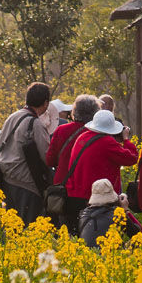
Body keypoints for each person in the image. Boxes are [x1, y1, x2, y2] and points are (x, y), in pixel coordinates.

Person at [65, 109, 138, 228]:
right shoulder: (107, 141)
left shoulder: (82, 137)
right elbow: (132, 158)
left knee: (79, 235)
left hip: (74, 194)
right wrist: (125, 140)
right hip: (96, 198)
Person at [0, 82, 52, 224]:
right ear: (46, 103)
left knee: (10, 226)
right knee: (25, 226)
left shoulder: (13, 116)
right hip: (25, 182)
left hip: (6, 177)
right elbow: (47, 157)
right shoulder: (35, 124)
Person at [46, 94, 100, 228]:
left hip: (64, 188)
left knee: (66, 229)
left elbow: (50, 160)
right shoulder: (99, 133)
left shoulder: (61, 130)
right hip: (90, 190)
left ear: (74, 112)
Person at [78, 178, 142, 248]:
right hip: (110, 255)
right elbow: (139, 234)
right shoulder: (117, 214)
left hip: (89, 256)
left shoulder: (83, 215)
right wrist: (125, 209)